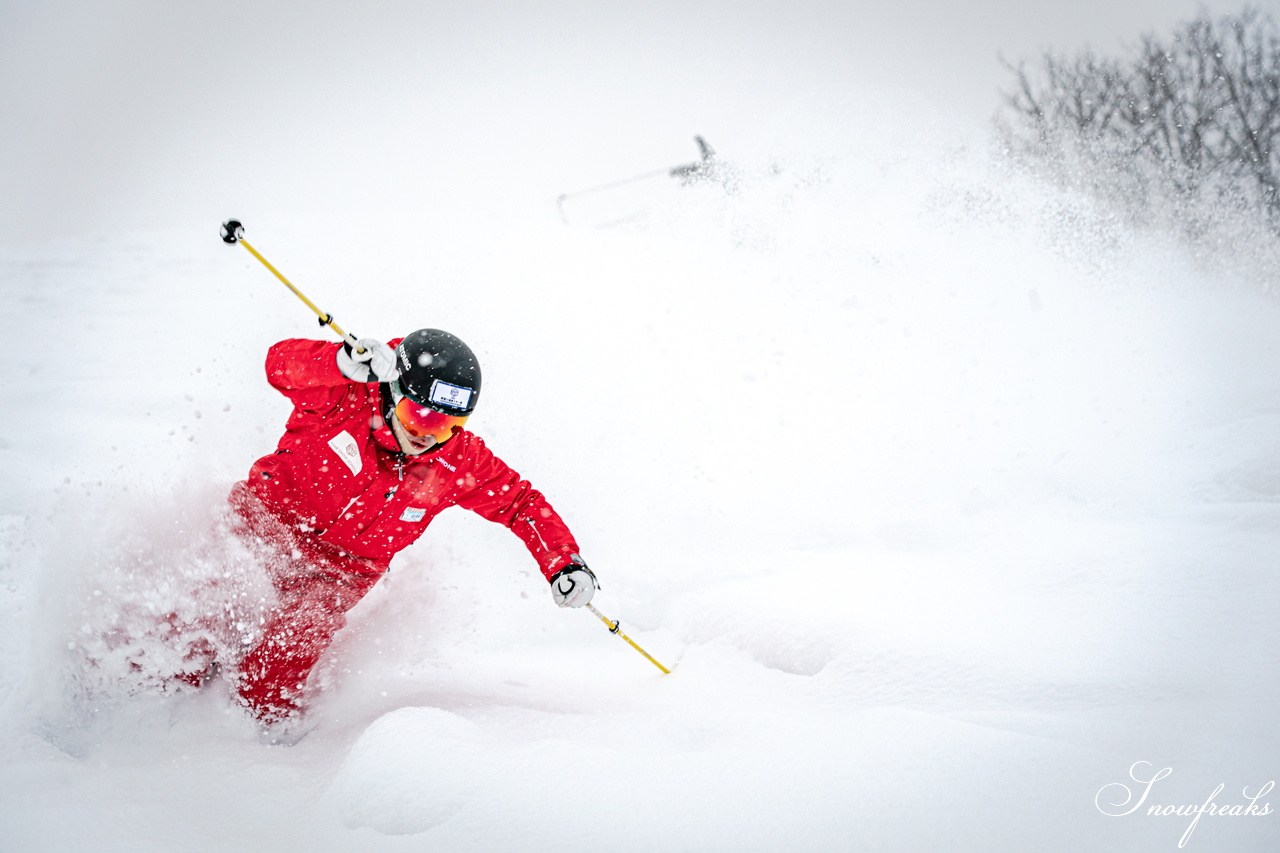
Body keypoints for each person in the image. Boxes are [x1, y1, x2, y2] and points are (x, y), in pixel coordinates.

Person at [214, 328, 597, 727]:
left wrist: (563, 561)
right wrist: (337, 363)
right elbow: (279, 366)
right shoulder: (343, 396)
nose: (428, 435)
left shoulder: (457, 461)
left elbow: (520, 504)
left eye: (449, 424)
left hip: (336, 577)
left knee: (273, 674)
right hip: (262, 527)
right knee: (193, 621)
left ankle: (251, 745)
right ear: (395, 393)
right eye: (419, 416)